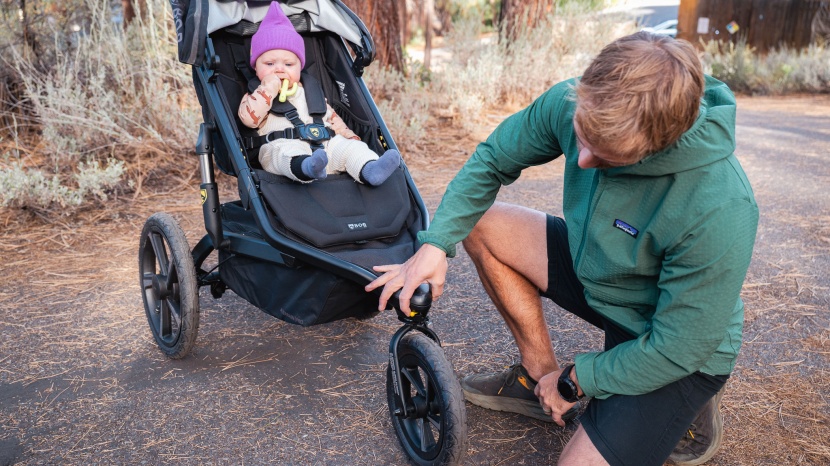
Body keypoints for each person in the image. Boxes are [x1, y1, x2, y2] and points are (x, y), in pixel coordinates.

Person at [367, 31, 758, 466]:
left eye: (607, 155)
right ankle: (537, 381)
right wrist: (435, 244)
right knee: (480, 223)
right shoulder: (574, 99)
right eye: (582, 135)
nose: (584, 160)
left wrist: (576, 380)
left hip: (669, 342)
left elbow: (677, 348)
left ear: (657, 146)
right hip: (599, 274)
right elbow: (492, 159)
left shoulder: (720, 203)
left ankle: (687, 414)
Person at [239, 3, 400, 185]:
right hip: (285, 145)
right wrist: (268, 88)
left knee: (351, 149)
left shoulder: (309, 91)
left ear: (300, 67)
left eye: (289, 64)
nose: (279, 69)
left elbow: (331, 117)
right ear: (255, 67)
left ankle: (370, 169)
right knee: (281, 153)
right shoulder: (256, 94)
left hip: (326, 145)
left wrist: (348, 136)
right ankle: (308, 167)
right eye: (269, 64)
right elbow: (249, 119)